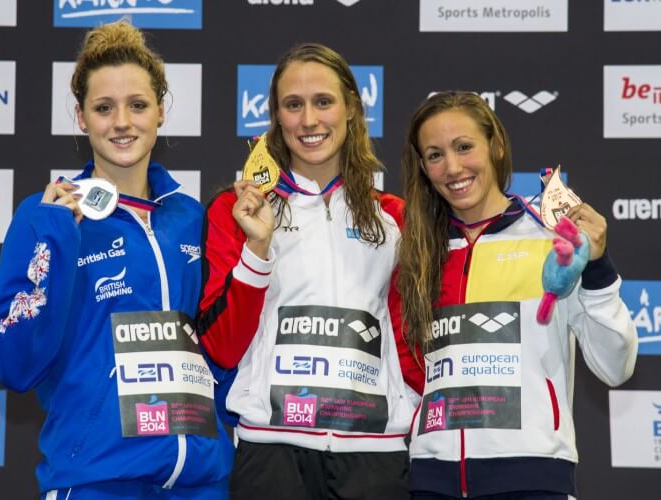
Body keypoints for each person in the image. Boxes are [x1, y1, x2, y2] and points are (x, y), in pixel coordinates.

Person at [0, 20, 233, 499]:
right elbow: (10, 358)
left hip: (200, 483)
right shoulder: (46, 216)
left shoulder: (191, 216)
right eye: (103, 108)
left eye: (137, 105)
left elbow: (220, 343)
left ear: (161, 111)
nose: (121, 122)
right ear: (80, 117)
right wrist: (56, 236)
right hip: (97, 481)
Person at [196, 43, 424, 500]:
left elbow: (407, 343)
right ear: (276, 117)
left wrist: (413, 413)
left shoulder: (395, 218)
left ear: (353, 109)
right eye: (293, 105)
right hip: (271, 454)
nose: (309, 120)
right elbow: (220, 347)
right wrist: (258, 248)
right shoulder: (237, 210)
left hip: (374, 456)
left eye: (323, 102)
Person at [398, 91, 638, 499]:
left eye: (464, 147)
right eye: (435, 155)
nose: (453, 167)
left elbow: (616, 365)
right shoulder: (417, 249)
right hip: (429, 479)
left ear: (496, 146)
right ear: (422, 166)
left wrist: (596, 266)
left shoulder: (553, 237)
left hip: (531, 476)